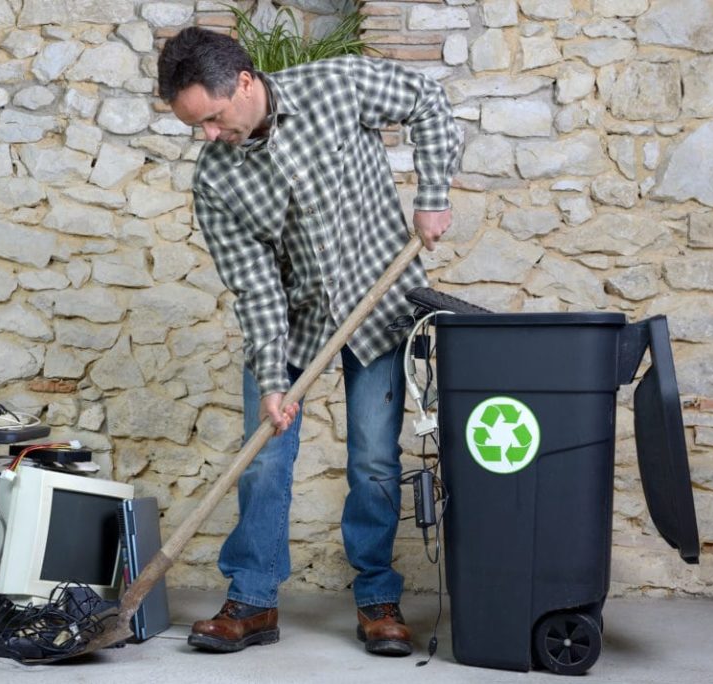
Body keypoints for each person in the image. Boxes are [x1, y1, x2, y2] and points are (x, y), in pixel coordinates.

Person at [157, 27, 462, 656]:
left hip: (379, 305)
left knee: (374, 462)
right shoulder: (215, 179)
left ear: (243, 83)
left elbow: (428, 103)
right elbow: (255, 286)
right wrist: (273, 380)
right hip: (293, 323)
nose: (210, 136)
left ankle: (377, 597)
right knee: (265, 456)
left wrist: (433, 198)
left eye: (213, 118)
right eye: (198, 128)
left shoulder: (337, 86)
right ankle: (253, 600)